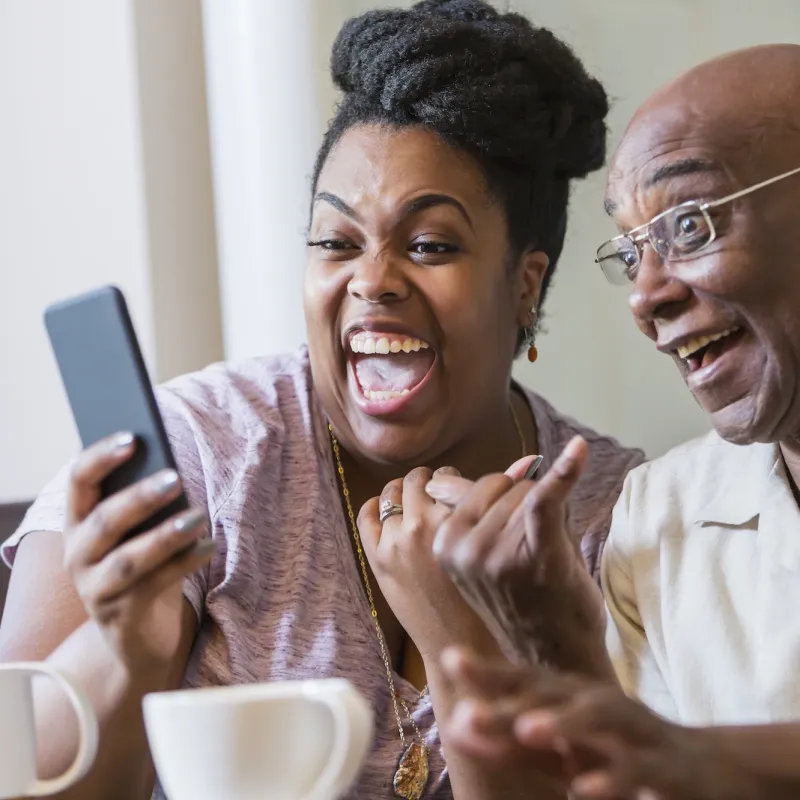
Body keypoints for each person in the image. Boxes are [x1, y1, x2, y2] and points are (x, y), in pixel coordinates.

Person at [0, 2, 643, 798]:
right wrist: (123, 646)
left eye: (430, 245)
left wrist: (460, 648)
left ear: (524, 284)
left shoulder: (616, 517)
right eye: (336, 242)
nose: (371, 280)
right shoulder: (200, 451)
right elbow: (22, 777)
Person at [426, 43, 800, 799]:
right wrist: (553, 645)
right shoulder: (659, 515)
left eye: (689, 227)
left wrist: (718, 764)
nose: (646, 296)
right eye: (631, 255)